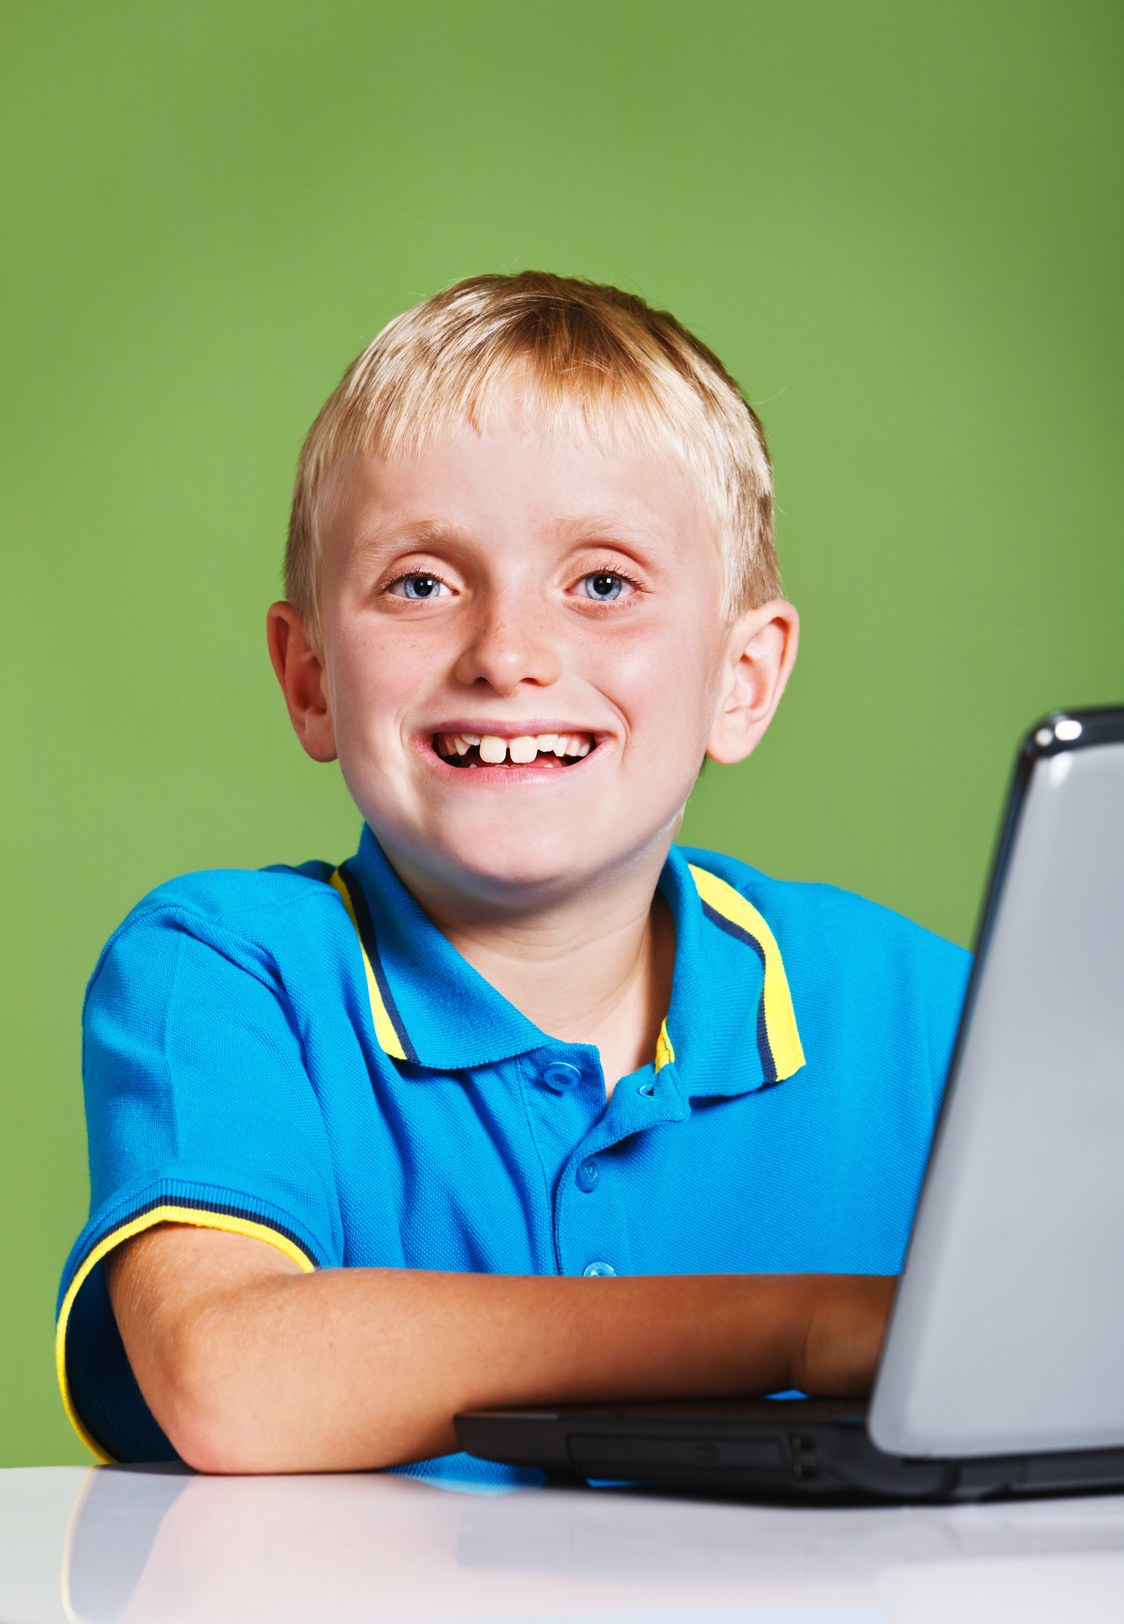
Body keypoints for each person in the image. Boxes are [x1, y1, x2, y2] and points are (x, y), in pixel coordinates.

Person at [56, 273, 970, 1478]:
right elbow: (229, 1378)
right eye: (421, 583)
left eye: (602, 583)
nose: (507, 654)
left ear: (742, 678)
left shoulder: (932, 1010)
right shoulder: (230, 970)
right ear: (311, 678)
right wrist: (799, 1324)